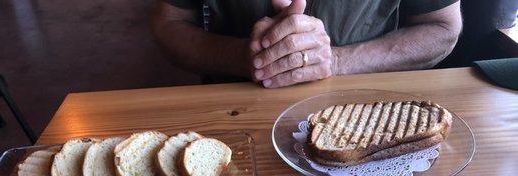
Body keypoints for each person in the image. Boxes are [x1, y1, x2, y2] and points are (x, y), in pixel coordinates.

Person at [152, 0, 462, 88]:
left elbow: (443, 27)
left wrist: (337, 62)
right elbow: (168, 25)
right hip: (230, 116)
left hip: (369, 117)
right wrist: (243, 58)